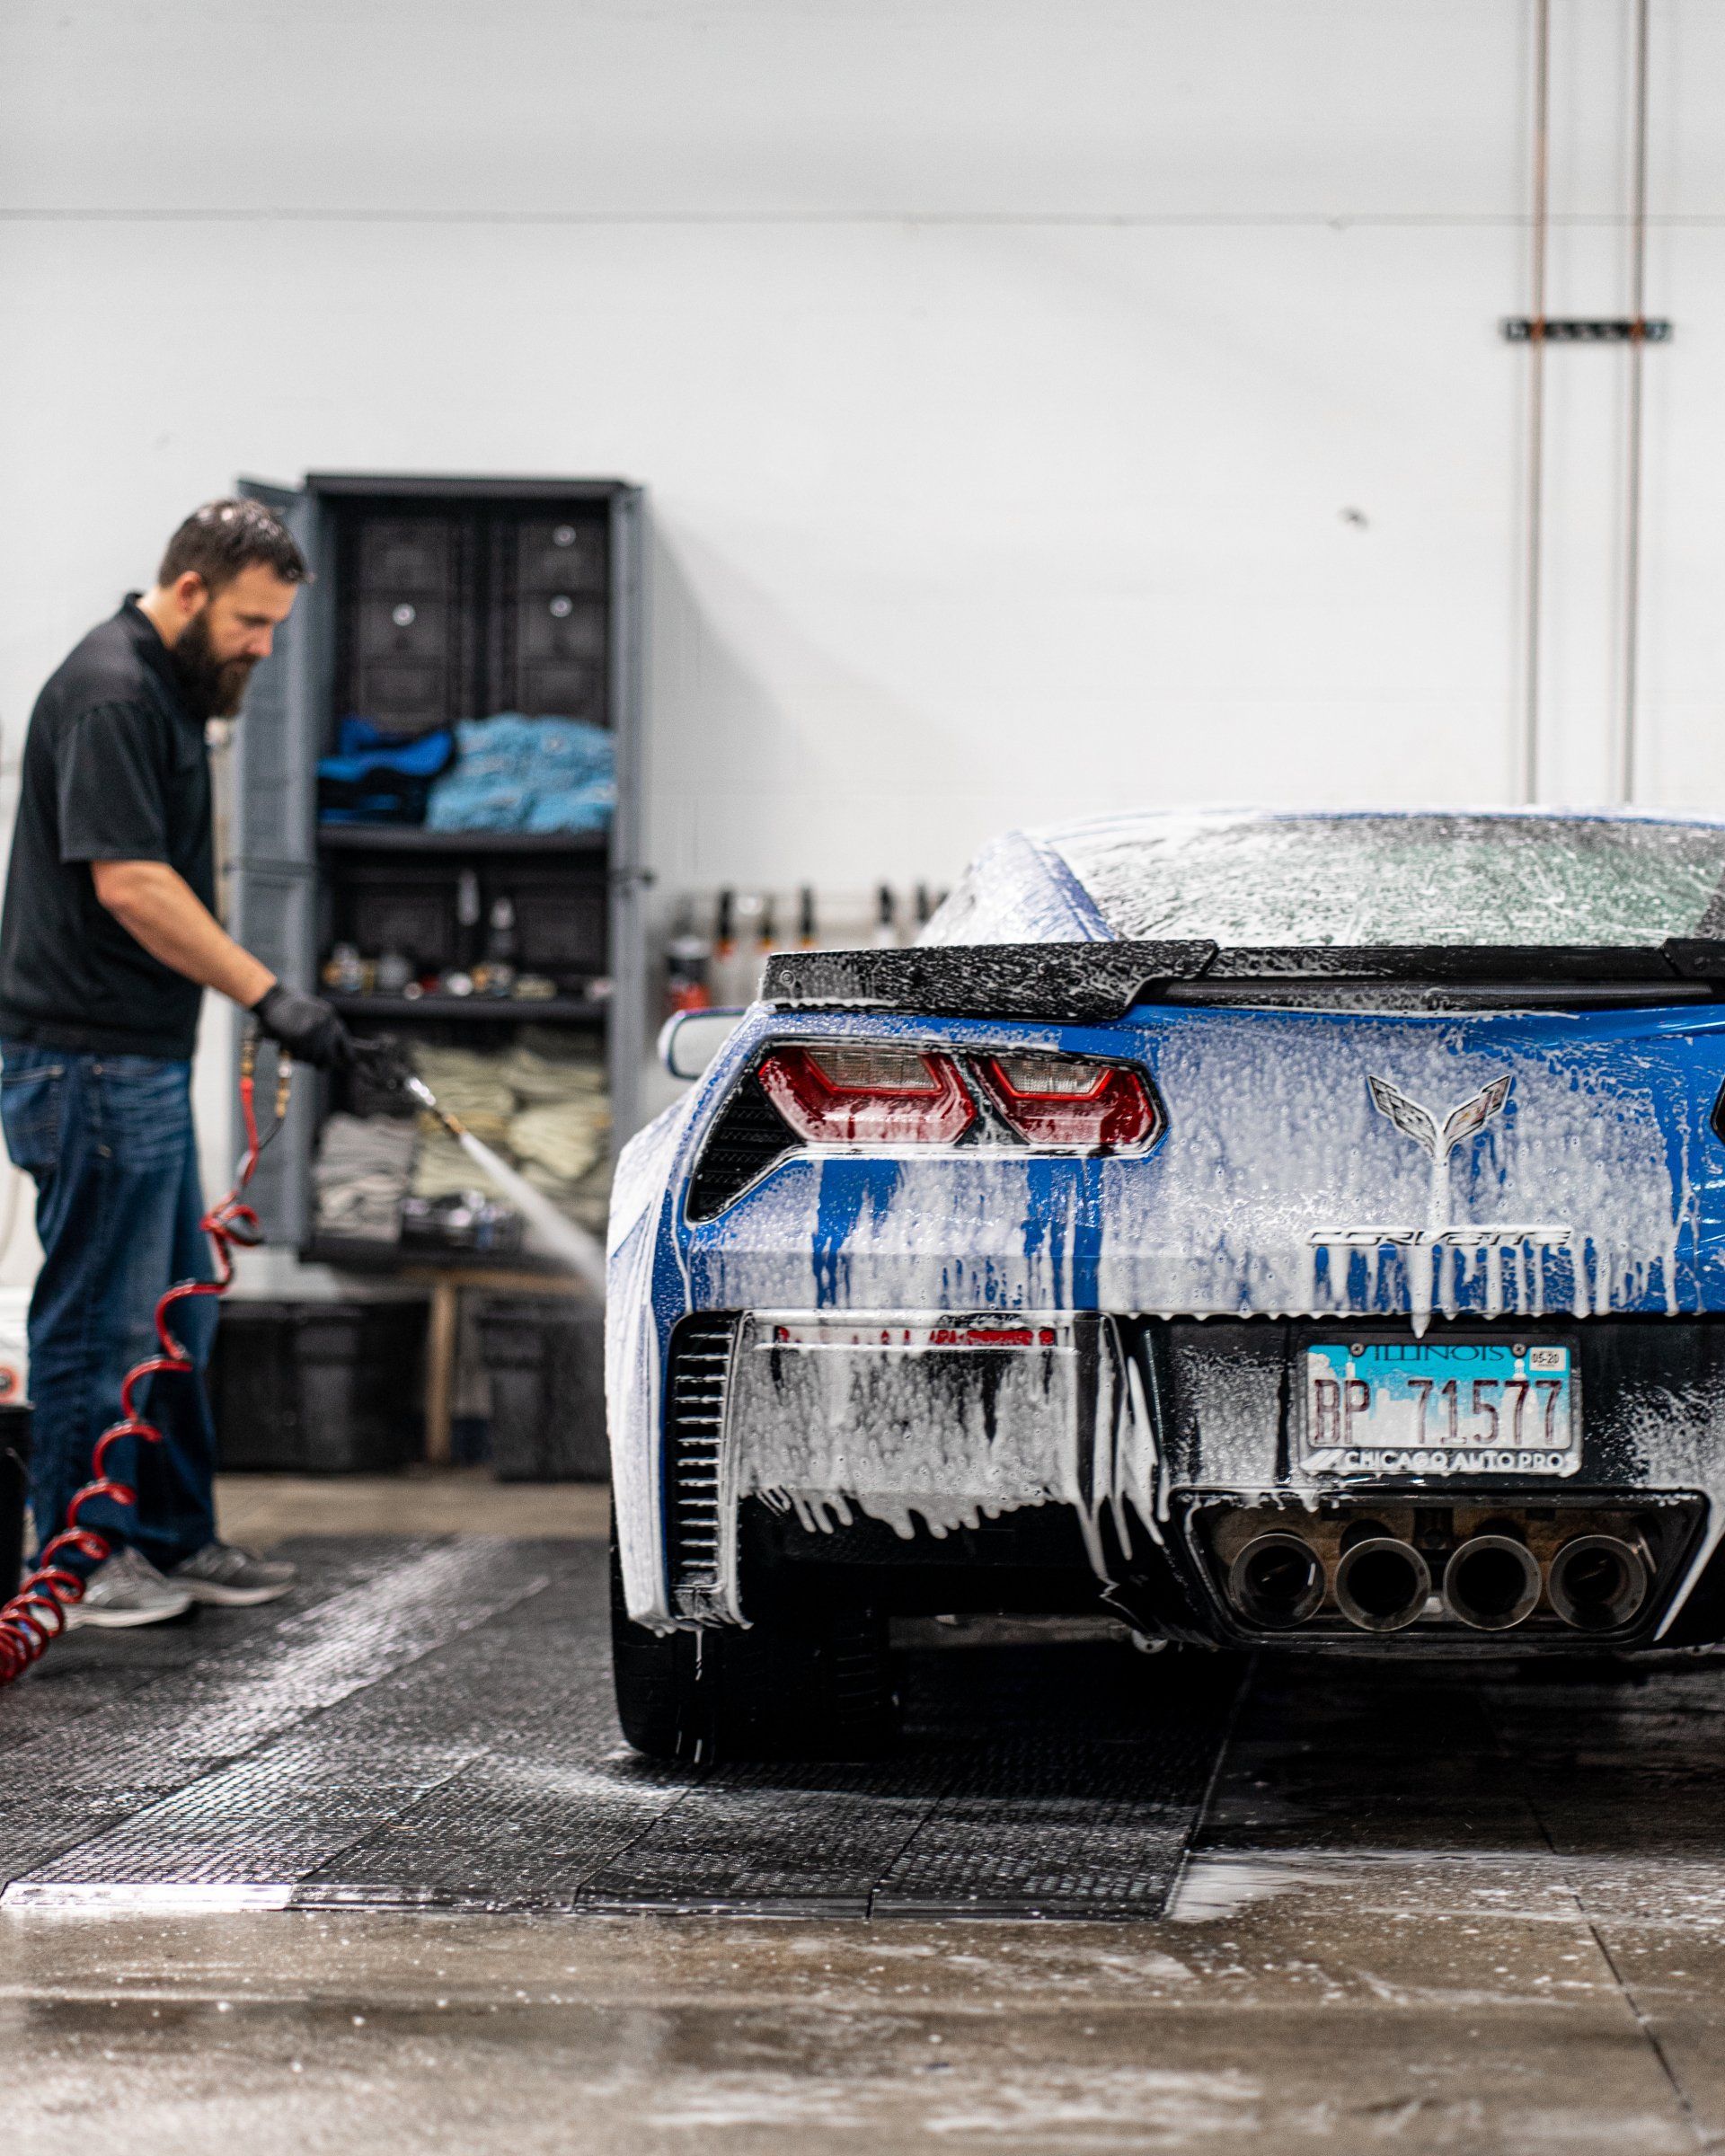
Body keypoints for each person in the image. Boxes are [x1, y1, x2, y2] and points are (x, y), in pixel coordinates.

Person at [0, 499, 357, 1627]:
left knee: (176, 1313)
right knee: (101, 1319)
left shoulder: (165, 690)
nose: (262, 647)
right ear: (192, 591)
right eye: (252, 623)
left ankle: (169, 1535)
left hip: (136, 1061)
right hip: (85, 1065)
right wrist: (270, 995)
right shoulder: (111, 690)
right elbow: (133, 884)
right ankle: (76, 1562)